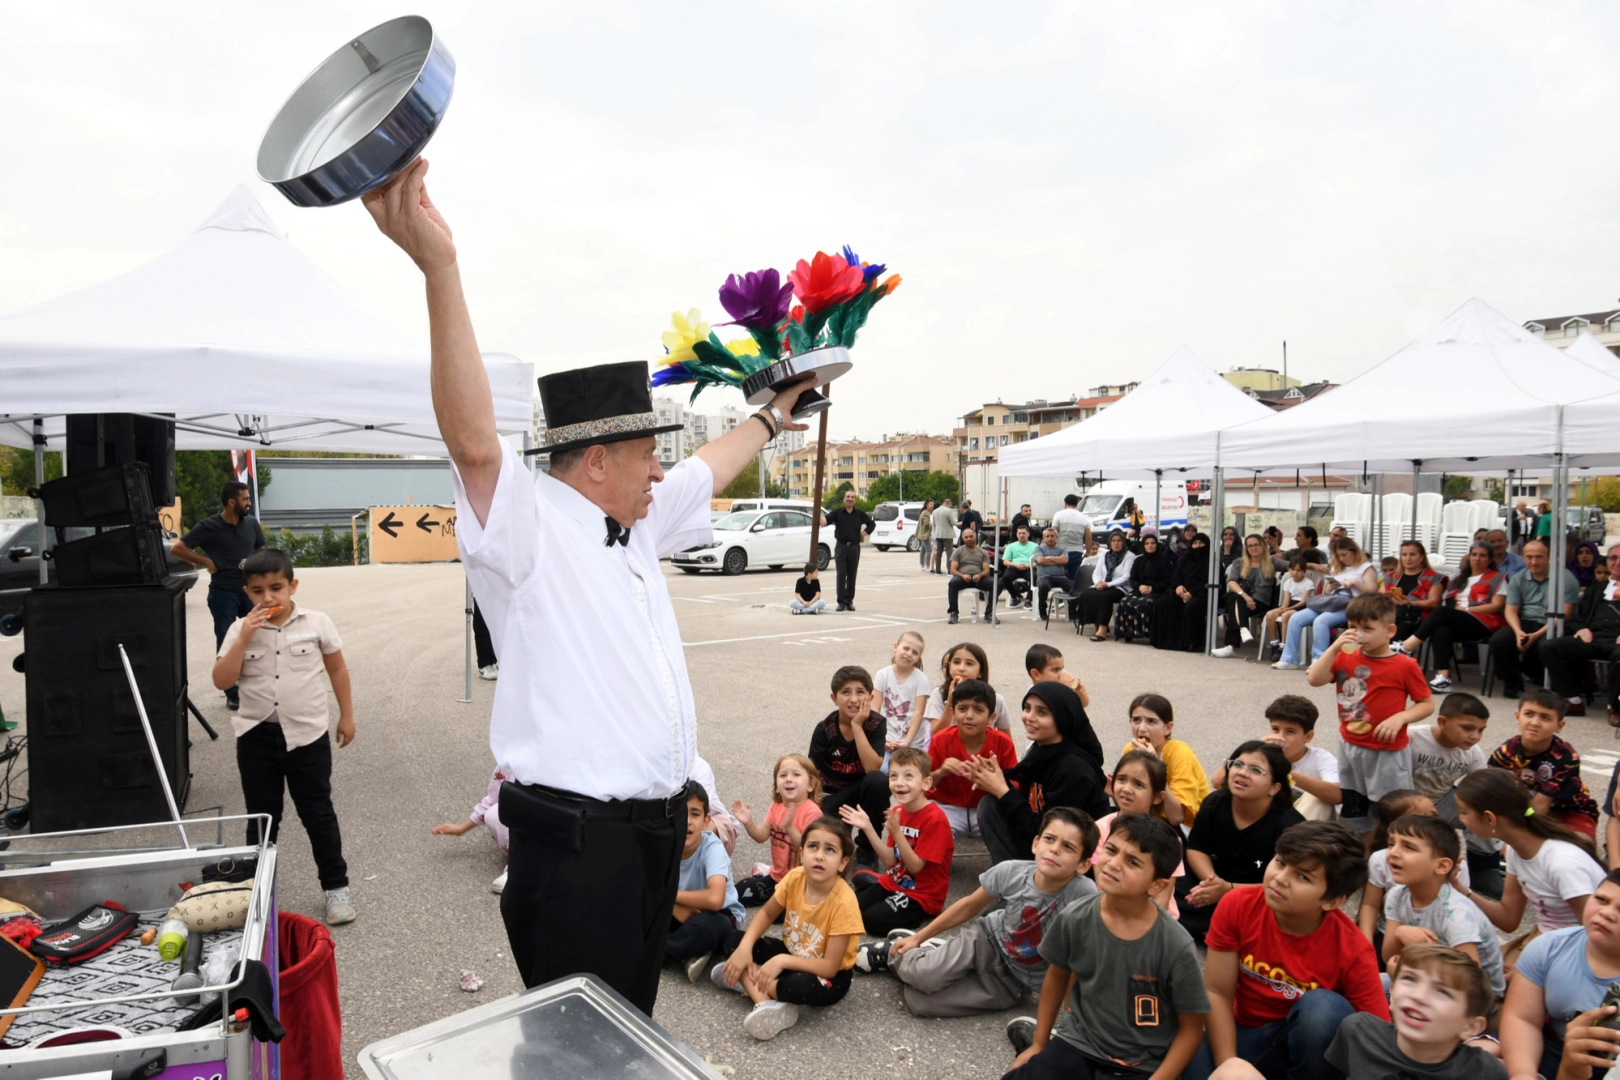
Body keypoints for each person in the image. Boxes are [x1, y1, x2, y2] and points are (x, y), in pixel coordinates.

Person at [363, 159, 811, 1013]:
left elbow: (711, 470)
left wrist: (771, 413)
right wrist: (440, 268)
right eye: (649, 454)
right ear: (597, 459)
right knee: (580, 1048)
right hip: (577, 850)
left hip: (649, 839)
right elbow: (473, 445)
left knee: (626, 1026)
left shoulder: (636, 520)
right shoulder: (528, 530)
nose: (662, 469)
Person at [1004, 814, 1210, 1080]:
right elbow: (1056, 976)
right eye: (1111, 850)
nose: (1113, 864)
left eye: (1132, 861)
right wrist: (1040, 1044)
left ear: (1156, 884)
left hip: (1140, 1063)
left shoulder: (1175, 945)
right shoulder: (1075, 916)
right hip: (1077, 1044)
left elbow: (1191, 1029)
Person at [212, 549, 356, 925]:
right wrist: (244, 638)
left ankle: (336, 888)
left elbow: (337, 669)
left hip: (308, 736)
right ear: (246, 593)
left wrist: (347, 716)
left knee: (318, 814)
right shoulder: (239, 629)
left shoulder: (317, 623)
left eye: (276, 588)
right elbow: (221, 681)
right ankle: (254, 892)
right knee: (262, 818)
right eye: (257, 591)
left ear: (292, 586)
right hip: (256, 738)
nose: (267, 598)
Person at [1183, 821, 1387, 1080]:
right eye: (1280, 862)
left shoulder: (1353, 950)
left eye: (1303, 876)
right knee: (1185, 1050)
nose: (1280, 879)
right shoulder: (1237, 905)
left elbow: (1375, 1038)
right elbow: (1218, 992)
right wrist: (1230, 1065)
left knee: (1323, 1009)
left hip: (1309, 1052)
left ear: (1332, 901)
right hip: (1246, 1034)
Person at [868, 808, 1096, 1017]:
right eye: (1049, 839)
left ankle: (935, 956)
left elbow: (1085, 955)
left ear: (1083, 865)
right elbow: (968, 905)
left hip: (1012, 983)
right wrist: (918, 937)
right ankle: (895, 953)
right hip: (986, 941)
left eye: (1068, 847)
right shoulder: (1011, 872)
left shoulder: (1085, 895)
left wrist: (1072, 1013)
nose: (1055, 849)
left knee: (919, 1003)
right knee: (922, 977)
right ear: (1036, 843)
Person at [711, 816, 863, 1041]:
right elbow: (766, 913)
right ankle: (764, 1001)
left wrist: (781, 961)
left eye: (830, 850)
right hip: (792, 951)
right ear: (801, 853)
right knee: (731, 938)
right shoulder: (795, 877)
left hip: (827, 974)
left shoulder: (845, 902)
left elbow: (830, 967)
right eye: (813, 846)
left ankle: (748, 981)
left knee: (800, 986)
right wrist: (745, 948)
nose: (819, 855)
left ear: (842, 862)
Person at [1305, 593, 1434, 839]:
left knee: (1392, 809)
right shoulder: (1344, 656)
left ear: (1389, 630)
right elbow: (1315, 679)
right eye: (1352, 627)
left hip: (1387, 750)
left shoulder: (1404, 665)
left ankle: (1391, 852)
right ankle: (1360, 856)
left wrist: (1400, 718)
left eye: (1367, 628)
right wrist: (1333, 647)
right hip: (1350, 746)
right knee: (1355, 807)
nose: (1358, 633)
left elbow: (1426, 704)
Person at [1286, 944, 1504, 1080]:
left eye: (1442, 992)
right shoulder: (1358, 1031)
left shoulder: (1485, 1072)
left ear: (1470, 1027)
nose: (1418, 996)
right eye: (1409, 979)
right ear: (1391, 991)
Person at [1454, 769, 1605, 940]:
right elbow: (1508, 919)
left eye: (1464, 811)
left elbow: (1596, 934)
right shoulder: (1514, 850)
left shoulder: (1562, 863)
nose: (1461, 818)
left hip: (1574, 948)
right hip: (1547, 940)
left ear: (1490, 818)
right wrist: (1461, 889)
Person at [969, 683, 1109, 865]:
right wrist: (994, 778)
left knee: (995, 803)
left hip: (1073, 857)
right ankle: (1010, 878)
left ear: (1062, 718)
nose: (1029, 717)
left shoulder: (1073, 770)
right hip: (1042, 839)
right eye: (1027, 708)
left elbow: (1049, 833)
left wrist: (1003, 791)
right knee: (991, 805)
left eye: (1042, 712)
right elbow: (1029, 807)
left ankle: (1019, 884)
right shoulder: (1043, 749)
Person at [1499, 868, 1620, 1080]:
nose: (1607, 913)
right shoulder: (1549, 947)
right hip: (1555, 1045)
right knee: (1481, 1056)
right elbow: (1522, 1018)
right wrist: (1523, 1074)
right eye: (1601, 899)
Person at [1180, 741, 1306, 943]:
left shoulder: (1291, 827)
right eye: (1237, 764)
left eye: (1256, 770)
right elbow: (1196, 848)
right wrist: (1212, 884)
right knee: (1171, 878)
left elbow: (1286, 883)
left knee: (1279, 910)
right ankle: (1222, 926)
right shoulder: (1215, 802)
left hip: (1259, 891)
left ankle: (1218, 926)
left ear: (1275, 787)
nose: (1242, 773)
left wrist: (1228, 891)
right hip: (1214, 877)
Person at [1382, 814, 1505, 997]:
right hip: (1427, 977)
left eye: (1408, 847)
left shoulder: (1456, 913)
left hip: (1475, 996)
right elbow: (1387, 957)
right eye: (1392, 844)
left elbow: (1471, 982)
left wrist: (1408, 979)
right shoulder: (1397, 895)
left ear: (1442, 866)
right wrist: (1400, 934)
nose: (1393, 852)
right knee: (1370, 985)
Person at [173, 480, 267, 711]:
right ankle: (232, 692)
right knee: (227, 640)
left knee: (260, 636)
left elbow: (260, 551)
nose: (249, 503)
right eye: (245, 499)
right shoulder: (208, 526)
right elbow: (178, 548)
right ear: (231, 501)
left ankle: (258, 686)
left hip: (249, 592)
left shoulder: (251, 523)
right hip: (223, 592)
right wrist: (205, 561)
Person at [841, 748, 953, 937]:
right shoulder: (900, 811)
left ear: (926, 783)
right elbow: (891, 861)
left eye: (908, 776)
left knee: (872, 921)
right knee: (847, 907)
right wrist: (868, 827)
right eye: (893, 776)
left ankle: (915, 917)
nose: (899, 783)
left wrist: (896, 832)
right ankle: (875, 883)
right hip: (893, 882)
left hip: (922, 895)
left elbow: (916, 866)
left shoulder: (935, 820)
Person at [1487, 688, 1600, 837]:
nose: (1535, 723)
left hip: (1569, 812)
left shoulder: (1565, 756)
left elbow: (1540, 804)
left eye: (1545, 718)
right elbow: (1493, 790)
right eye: (1529, 714)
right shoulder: (1506, 752)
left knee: (1578, 846)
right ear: (1517, 716)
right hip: (1525, 809)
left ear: (1559, 726)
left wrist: (1522, 835)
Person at [1396, 542, 1507, 692]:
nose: (1477, 558)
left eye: (1482, 555)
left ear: (1490, 559)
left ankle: (1407, 646)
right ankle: (1443, 678)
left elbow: (1497, 606)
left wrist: (1467, 609)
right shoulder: (1459, 579)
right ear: (1469, 557)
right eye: (1474, 554)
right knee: (1441, 629)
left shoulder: (1499, 578)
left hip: (1485, 622)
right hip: (1460, 621)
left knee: (1441, 612)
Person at [665, 784, 746, 983]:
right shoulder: (665, 845)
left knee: (712, 927)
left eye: (694, 814)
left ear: (706, 821)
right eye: (680, 813)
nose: (687, 821)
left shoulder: (712, 848)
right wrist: (672, 906)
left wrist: (668, 898)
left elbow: (715, 899)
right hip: (678, 907)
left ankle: (657, 953)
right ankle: (689, 953)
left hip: (719, 914)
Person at [809, 666, 890, 861]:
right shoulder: (825, 728)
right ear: (834, 698)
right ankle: (840, 834)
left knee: (878, 781)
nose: (853, 699)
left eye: (860, 692)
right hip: (833, 795)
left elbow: (872, 768)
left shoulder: (876, 723)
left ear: (870, 698)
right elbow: (811, 773)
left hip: (863, 793)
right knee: (830, 837)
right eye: (846, 692)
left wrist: (857, 726)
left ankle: (867, 850)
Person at [1097, 751, 1186, 914]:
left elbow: (1162, 899)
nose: (1126, 789)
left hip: (1153, 920)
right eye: (1122, 779)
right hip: (1107, 913)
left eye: (1139, 784)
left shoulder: (1168, 840)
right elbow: (1099, 886)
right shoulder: (1100, 829)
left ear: (1158, 797)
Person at [929, 680, 1018, 839]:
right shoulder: (940, 740)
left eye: (978, 710)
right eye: (962, 708)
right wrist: (941, 771)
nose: (969, 716)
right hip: (948, 808)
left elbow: (1016, 789)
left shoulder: (1003, 743)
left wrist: (995, 780)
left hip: (987, 808)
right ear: (953, 712)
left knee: (1015, 826)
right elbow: (923, 785)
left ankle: (1005, 864)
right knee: (927, 821)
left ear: (991, 718)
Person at [732, 753, 824, 907]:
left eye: (796, 774)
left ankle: (764, 874)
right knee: (738, 892)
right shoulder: (776, 805)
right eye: (783, 775)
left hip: (802, 883)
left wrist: (790, 827)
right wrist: (748, 822)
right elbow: (761, 836)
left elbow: (807, 850)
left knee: (778, 913)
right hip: (777, 878)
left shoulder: (812, 812)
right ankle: (764, 873)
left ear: (811, 785)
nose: (788, 778)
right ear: (777, 785)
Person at [1541, 544, 1620, 724]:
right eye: (1613, 558)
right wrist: (1583, 629)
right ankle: (1573, 700)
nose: (1617, 563)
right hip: (1595, 638)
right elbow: (1582, 617)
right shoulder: (1596, 589)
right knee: (1550, 647)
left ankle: (1615, 707)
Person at [1357, 789, 1443, 952]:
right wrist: (1366, 945)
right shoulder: (1381, 860)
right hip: (1389, 937)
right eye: (1421, 819)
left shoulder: (1450, 862)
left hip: (1434, 944)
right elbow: (1370, 905)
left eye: (1435, 816)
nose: (1433, 823)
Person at [1274, 535, 1378, 668]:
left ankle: (1319, 659)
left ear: (1354, 552)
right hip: (1332, 600)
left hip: (1352, 604)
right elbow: (1328, 592)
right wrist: (1329, 587)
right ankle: (1289, 658)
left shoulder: (1366, 567)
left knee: (1321, 621)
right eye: (1338, 555)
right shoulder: (1338, 567)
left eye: (1344, 555)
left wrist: (1356, 583)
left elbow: (1372, 591)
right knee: (1295, 618)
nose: (1342, 558)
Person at [1491, 539, 1577, 698]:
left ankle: (1543, 681)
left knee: (1546, 644)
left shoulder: (1565, 578)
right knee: (1499, 641)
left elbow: (1566, 614)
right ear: (1523, 557)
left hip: (1556, 623)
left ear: (1549, 557)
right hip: (1527, 621)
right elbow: (1510, 610)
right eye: (1529, 557)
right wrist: (1518, 632)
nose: (1534, 561)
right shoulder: (1518, 578)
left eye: (1539, 557)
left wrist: (1536, 635)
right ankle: (1512, 682)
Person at [1120, 692, 1208, 828]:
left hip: (1187, 830)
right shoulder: (1130, 750)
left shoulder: (1181, 754)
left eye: (1151, 721)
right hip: (1149, 818)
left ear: (1168, 728)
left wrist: (1154, 764)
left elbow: (1177, 817)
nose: (1141, 728)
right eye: (1136, 720)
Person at [431, 764, 512, 895]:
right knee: (494, 814)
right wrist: (461, 828)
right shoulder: (508, 763)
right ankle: (519, 865)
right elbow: (492, 801)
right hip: (527, 829)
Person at [1213, 533, 1288, 658]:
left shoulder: (1272, 562)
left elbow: (1296, 566)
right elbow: (1231, 582)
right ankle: (1242, 629)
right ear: (1246, 549)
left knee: (1234, 602)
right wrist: (1247, 597)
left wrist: (1314, 565)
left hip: (1261, 601)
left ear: (1263, 546)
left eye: (1256, 545)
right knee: (1235, 598)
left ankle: (1233, 645)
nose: (1253, 548)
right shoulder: (1240, 562)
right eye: (1250, 546)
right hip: (1244, 598)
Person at [924, 642, 1016, 739]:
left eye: (969, 663)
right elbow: (936, 736)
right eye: (956, 662)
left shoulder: (996, 700)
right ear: (949, 667)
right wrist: (950, 702)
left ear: (980, 671)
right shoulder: (939, 694)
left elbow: (1007, 741)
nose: (961, 668)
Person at [874, 630, 931, 754]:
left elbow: (919, 714)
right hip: (886, 739)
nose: (909, 654)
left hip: (912, 743)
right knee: (882, 770)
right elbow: (874, 710)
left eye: (915, 652)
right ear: (895, 647)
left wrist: (907, 742)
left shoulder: (921, 679)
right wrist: (880, 739)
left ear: (918, 658)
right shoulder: (882, 675)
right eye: (906, 648)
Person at [1153, 530, 1209, 653]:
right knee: (1162, 603)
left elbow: (1209, 582)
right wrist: (1178, 586)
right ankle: (1165, 641)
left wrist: (1192, 593)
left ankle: (1191, 642)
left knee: (1191, 606)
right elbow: (1176, 574)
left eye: (1201, 543)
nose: (1198, 546)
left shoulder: (1211, 562)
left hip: (1202, 594)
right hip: (1181, 591)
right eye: (1195, 543)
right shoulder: (1186, 558)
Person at [1114, 528, 1171, 643]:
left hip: (1157, 591)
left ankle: (1147, 633)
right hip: (1140, 589)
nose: (1150, 546)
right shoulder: (1139, 560)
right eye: (1147, 544)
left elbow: (1167, 580)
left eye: (1153, 543)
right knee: (1125, 601)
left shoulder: (1164, 561)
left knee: (1145, 603)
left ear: (1157, 545)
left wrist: (1152, 588)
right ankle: (1128, 632)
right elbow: (1133, 578)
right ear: (1143, 546)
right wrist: (1140, 587)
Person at [820, 490, 874, 612]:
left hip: (854, 547)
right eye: (848, 497)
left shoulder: (860, 514)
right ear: (844, 499)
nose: (850, 499)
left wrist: (864, 533)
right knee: (841, 574)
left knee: (852, 575)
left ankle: (849, 601)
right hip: (841, 547)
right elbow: (827, 519)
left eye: (852, 497)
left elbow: (871, 524)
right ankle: (841, 602)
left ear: (855, 500)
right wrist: (823, 518)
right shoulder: (837, 513)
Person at [1076, 530, 1134, 641]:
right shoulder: (1105, 555)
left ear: (1123, 542)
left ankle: (1102, 631)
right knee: (1086, 595)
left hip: (1120, 587)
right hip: (1103, 584)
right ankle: (1097, 625)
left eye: (1119, 541)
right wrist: (1098, 583)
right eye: (1113, 541)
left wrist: (1108, 584)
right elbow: (1096, 573)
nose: (1116, 543)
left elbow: (1126, 576)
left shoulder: (1129, 556)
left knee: (1104, 597)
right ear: (1110, 543)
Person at [1384, 538, 1444, 642]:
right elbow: (1378, 597)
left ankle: (1395, 656)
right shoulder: (1392, 576)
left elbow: (1434, 603)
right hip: (1391, 614)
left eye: (1412, 554)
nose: (1408, 558)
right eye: (1404, 555)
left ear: (1421, 557)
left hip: (1419, 618)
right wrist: (1388, 598)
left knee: (1400, 628)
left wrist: (1411, 602)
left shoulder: (1434, 577)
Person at [1262, 557, 1315, 660]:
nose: (1295, 573)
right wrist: (1283, 608)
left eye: (1299, 570)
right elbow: (1286, 600)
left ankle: (1284, 645)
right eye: (1293, 569)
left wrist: (1287, 609)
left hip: (1301, 606)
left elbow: (1303, 601)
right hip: (1290, 604)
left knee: (1286, 615)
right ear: (1289, 569)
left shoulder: (1309, 583)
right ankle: (1274, 644)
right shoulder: (1288, 582)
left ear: (1304, 571)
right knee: (1270, 614)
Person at [947, 528, 996, 625]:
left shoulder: (983, 552)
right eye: (966, 537)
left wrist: (979, 575)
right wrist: (963, 575)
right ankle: (953, 613)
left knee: (994, 584)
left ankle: (989, 614)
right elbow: (953, 570)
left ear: (975, 537)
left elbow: (986, 570)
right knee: (952, 583)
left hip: (979, 578)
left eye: (971, 536)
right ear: (963, 538)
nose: (969, 539)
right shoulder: (958, 551)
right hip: (963, 578)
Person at [1025, 642, 1092, 708]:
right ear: (1036, 674)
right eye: (1055, 670)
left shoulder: (1060, 689)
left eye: (1062, 669)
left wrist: (1079, 692)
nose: (1061, 674)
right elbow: (1055, 706)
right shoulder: (1033, 695)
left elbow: (1083, 704)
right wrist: (1064, 689)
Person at [1050, 493, 1092, 586]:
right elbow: (1088, 537)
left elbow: (1053, 533)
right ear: (1077, 504)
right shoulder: (1084, 517)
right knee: (1074, 579)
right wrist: (1088, 552)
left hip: (1061, 552)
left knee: (1060, 577)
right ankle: (1072, 598)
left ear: (1065, 503)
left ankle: (1061, 598)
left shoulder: (1058, 515)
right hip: (1077, 552)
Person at [1031, 527, 1070, 621]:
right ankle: (1042, 609)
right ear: (1043, 538)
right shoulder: (1039, 548)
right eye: (1047, 536)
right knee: (1043, 586)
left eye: (1052, 536)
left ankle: (1072, 612)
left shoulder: (1062, 548)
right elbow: (1040, 560)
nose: (1050, 538)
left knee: (1075, 588)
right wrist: (1057, 559)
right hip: (1044, 577)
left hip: (1061, 577)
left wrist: (1047, 558)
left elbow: (1064, 560)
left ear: (1057, 537)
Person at [996, 525, 1038, 609]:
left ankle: (1028, 600)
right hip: (1014, 567)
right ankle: (1015, 597)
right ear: (1017, 534)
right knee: (1005, 578)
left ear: (1028, 534)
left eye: (1024, 533)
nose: (1022, 535)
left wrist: (1029, 566)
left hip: (1029, 567)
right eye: (1020, 533)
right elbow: (1005, 561)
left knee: (1036, 577)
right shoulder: (1011, 546)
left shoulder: (1035, 546)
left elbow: (1039, 562)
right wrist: (1015, 565)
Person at [472, 600, 498, 680]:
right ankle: (484, 664)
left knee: (492, 624)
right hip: (478, 593)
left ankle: (492, 661)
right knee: (481, 622)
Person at [930, 498, 956, 574]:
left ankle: (937, 570)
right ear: (949, 504)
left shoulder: (935, 511)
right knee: (949, 553)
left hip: (938, 534)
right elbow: (953, 522)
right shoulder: (949, 511)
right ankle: (949, 570)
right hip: (947, 534)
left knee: (938, 553)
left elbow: (934, 524)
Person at [915, 498, 934, 571]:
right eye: (930, 504)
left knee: (923, 550)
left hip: (924, 534)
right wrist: (932, 523)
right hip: (924, 534)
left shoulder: (926, 512)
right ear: (926, 505)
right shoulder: (925, 513)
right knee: (929, 550)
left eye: (932, 504)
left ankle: (922, 565)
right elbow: (926, 523)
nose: (932, 506)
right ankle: (927, 566)